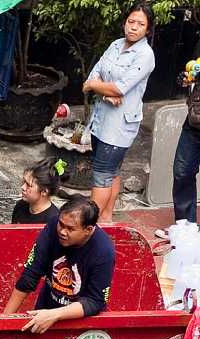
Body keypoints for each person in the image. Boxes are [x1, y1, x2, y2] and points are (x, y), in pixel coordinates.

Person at [3, 198, 115, 335]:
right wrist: (4, 320)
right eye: (61, 224)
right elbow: (30, 274)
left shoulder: (103, 251)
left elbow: (95, 301)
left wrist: (55, 314)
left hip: (79, 323)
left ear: (88, 230)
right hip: (46, 307)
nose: (62, 231)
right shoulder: (53, 227)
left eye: (70, 229)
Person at [82, 5, 154, 220]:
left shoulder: (145, 55)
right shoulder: (115, 45)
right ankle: (106, 219)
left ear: (148, 30)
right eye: (131, 22)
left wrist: (100, 87)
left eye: (141, 24)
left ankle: (88, 226)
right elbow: (91, 79)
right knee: (111, 172)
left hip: (119, 126)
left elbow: (120, 88)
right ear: (125, 22)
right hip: (101, 119)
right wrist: (104, 92)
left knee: (102, 174)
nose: (134, 28)